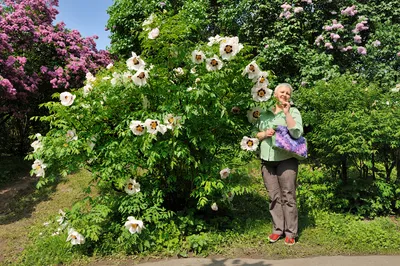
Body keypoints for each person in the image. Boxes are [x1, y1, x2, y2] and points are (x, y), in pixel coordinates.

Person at [254, 83, 303, 246]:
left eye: (288, 93)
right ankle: (277, 230)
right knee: (273, 197)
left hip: (286, 159)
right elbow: (255, 133)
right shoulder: (264, 113)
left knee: (288, 195)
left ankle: (290, 232)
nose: (285, 95)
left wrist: (287, 112)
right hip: (267, 160)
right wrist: (264, 134)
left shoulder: (294, 111)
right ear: (274, 94)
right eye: (282, 92)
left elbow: (297, 133)